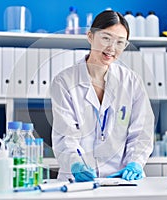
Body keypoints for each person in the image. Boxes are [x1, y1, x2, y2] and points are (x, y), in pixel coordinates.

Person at [50, 10, 154, 182]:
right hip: (77, 182)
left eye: (120, 42)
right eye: (106, 38)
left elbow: (141, 132)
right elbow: (65, 136)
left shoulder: (131, 81)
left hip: (121, 180)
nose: (112, 48)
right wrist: (75, 164)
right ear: (90, 36)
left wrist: (134, 163)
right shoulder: (64, 82)